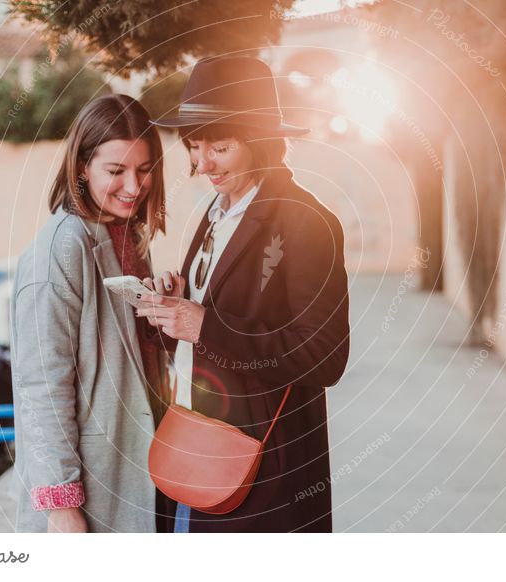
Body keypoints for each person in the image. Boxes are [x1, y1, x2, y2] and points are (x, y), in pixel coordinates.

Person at [141, 56, 351, 532]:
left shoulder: (306, 222)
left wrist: (206, 325)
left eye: (220, 147)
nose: (203, 163)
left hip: (266, 471)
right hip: (195, 447)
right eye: (195, 147)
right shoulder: (215, 209)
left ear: (258, 139)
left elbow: (325, 357)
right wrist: (177, 309)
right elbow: (211, 323)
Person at [10, 94, 176, 533]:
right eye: (115, 171)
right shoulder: (61, 248)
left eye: (144, 170)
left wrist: (163, 316)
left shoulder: (126, 234)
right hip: (91, 490)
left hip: (139, 468)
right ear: (82, 167)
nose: (134, 186)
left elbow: (133, 359)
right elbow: (42, 382)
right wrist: (61, 504)